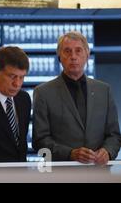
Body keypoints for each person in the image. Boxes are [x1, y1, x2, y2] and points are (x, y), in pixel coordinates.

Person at [33, 31, 120, 164]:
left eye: (78, 50)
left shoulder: (104, 90)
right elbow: (40, 141)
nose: (73, 56)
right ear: (59, 56)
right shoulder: (43, 93)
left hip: (99, 173)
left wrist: (107, 151)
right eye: (67, 51)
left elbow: (114, 135)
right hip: (61, 175)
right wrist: (70, 154)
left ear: (87, 55)